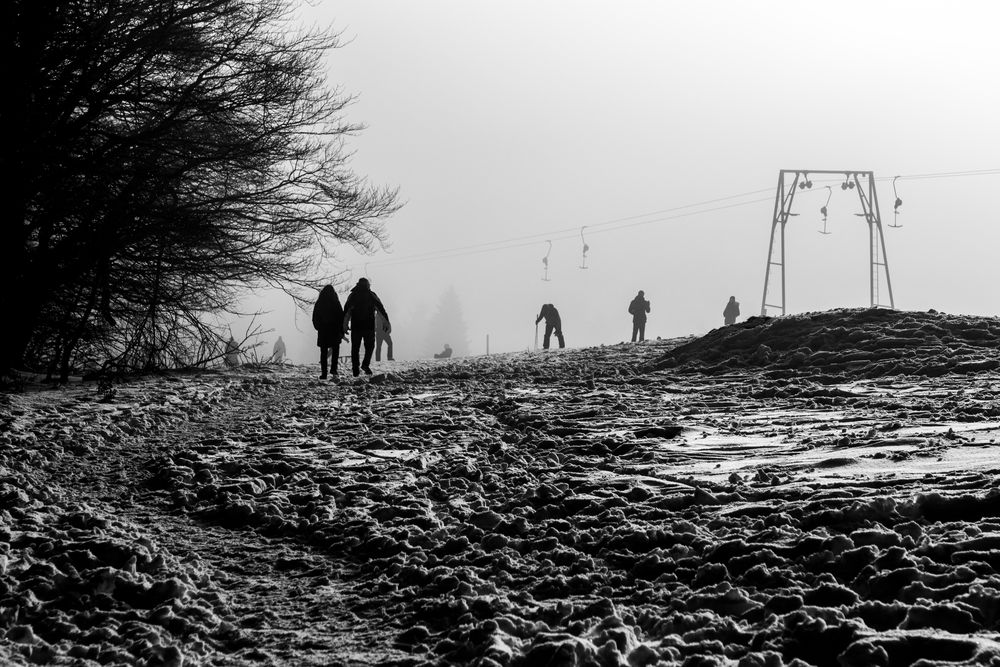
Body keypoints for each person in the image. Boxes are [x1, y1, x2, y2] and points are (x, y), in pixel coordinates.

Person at [343, 278, 390, 377]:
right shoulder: (371, 295)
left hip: (356, 327)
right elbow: (380, 309)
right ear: (367, 285)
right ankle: (365, 365)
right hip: (369, 326)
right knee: (370, 347)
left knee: (355, 348)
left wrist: (344, 325)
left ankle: (355, 369)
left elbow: (347, 311)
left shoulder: (353, 296)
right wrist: (386, 323)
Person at [312, 285, 345, 380]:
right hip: (334, 330)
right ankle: (334, 369)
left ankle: (324, 373)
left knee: (323, 352)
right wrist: (341, 330)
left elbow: (315, 316)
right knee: (335, 350)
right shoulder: (335, 302)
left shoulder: (319, 302)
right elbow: (341, 317)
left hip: (323, 330)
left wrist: (318, 327)